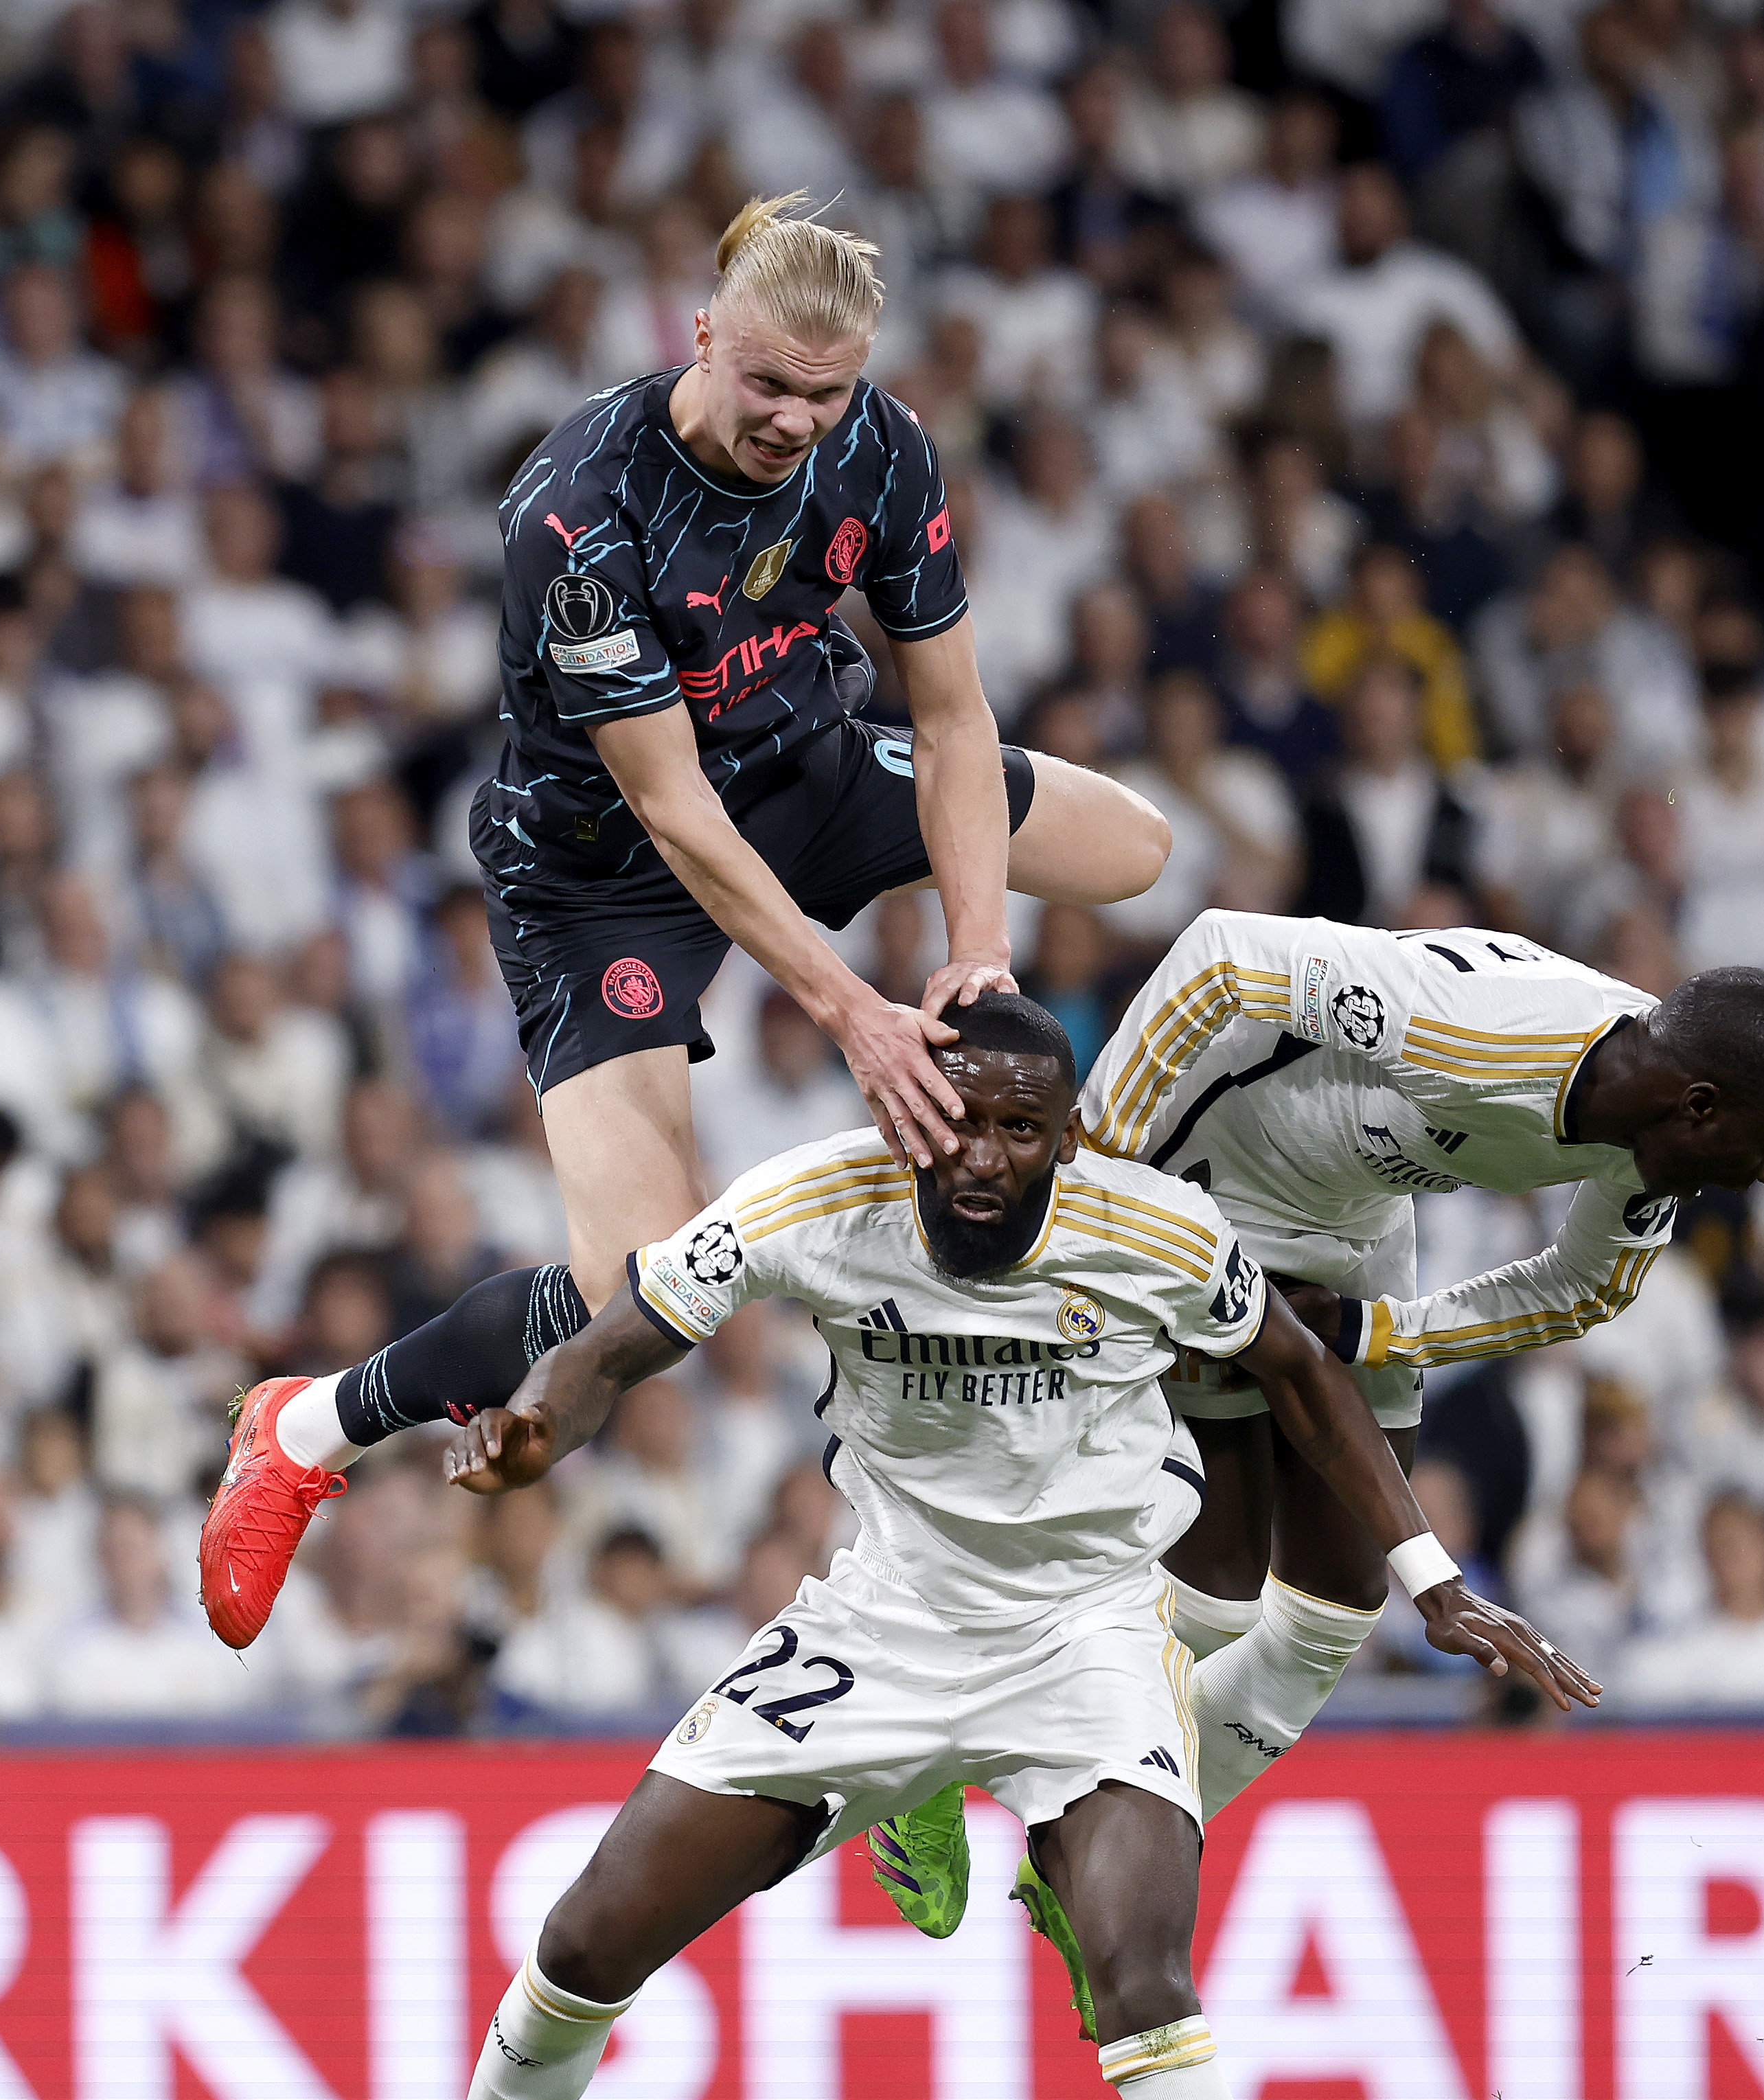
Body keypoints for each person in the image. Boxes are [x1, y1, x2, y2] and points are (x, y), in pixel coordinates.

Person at [265, 996, 1589, 2100]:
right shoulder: (817, 1198)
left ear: (1065, 1135)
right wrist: (533, 1419)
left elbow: (1299, 1376)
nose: (984, 1153)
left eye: (1024, 1125)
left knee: (1145, 1973)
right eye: (959, 1118)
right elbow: (620, 1339)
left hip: (1084, 1630)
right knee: (586, 1940)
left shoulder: (1152, 1232)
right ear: (912, 1113)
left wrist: (1431, 1579)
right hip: (879, 1626)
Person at [200, 196, 1169, 1647]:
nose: (792, 420)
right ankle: (307, 1429)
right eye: (766, 382)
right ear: (703, 334)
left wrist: (979, 949)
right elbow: (673, 814)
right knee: (639, 1301)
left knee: (1136, 847)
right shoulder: (577, 511)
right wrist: (852, 1008)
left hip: (808, 771)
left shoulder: (885, 448)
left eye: (823, 394)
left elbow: (955, 713)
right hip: (603, 873)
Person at [870, 914, 1764, 1959]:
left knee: (1336, 1609)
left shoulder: (1648, 1155)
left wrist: (1373, 1330)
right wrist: (1102, 1195)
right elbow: (1222, 960)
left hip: (1358, 1224)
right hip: (1213, 1168)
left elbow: (1582, 1290)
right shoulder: (1482, 1031)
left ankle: (1073, 1863)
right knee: (1218, 1596)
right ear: (1700, 1105)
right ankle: (924, 1753)